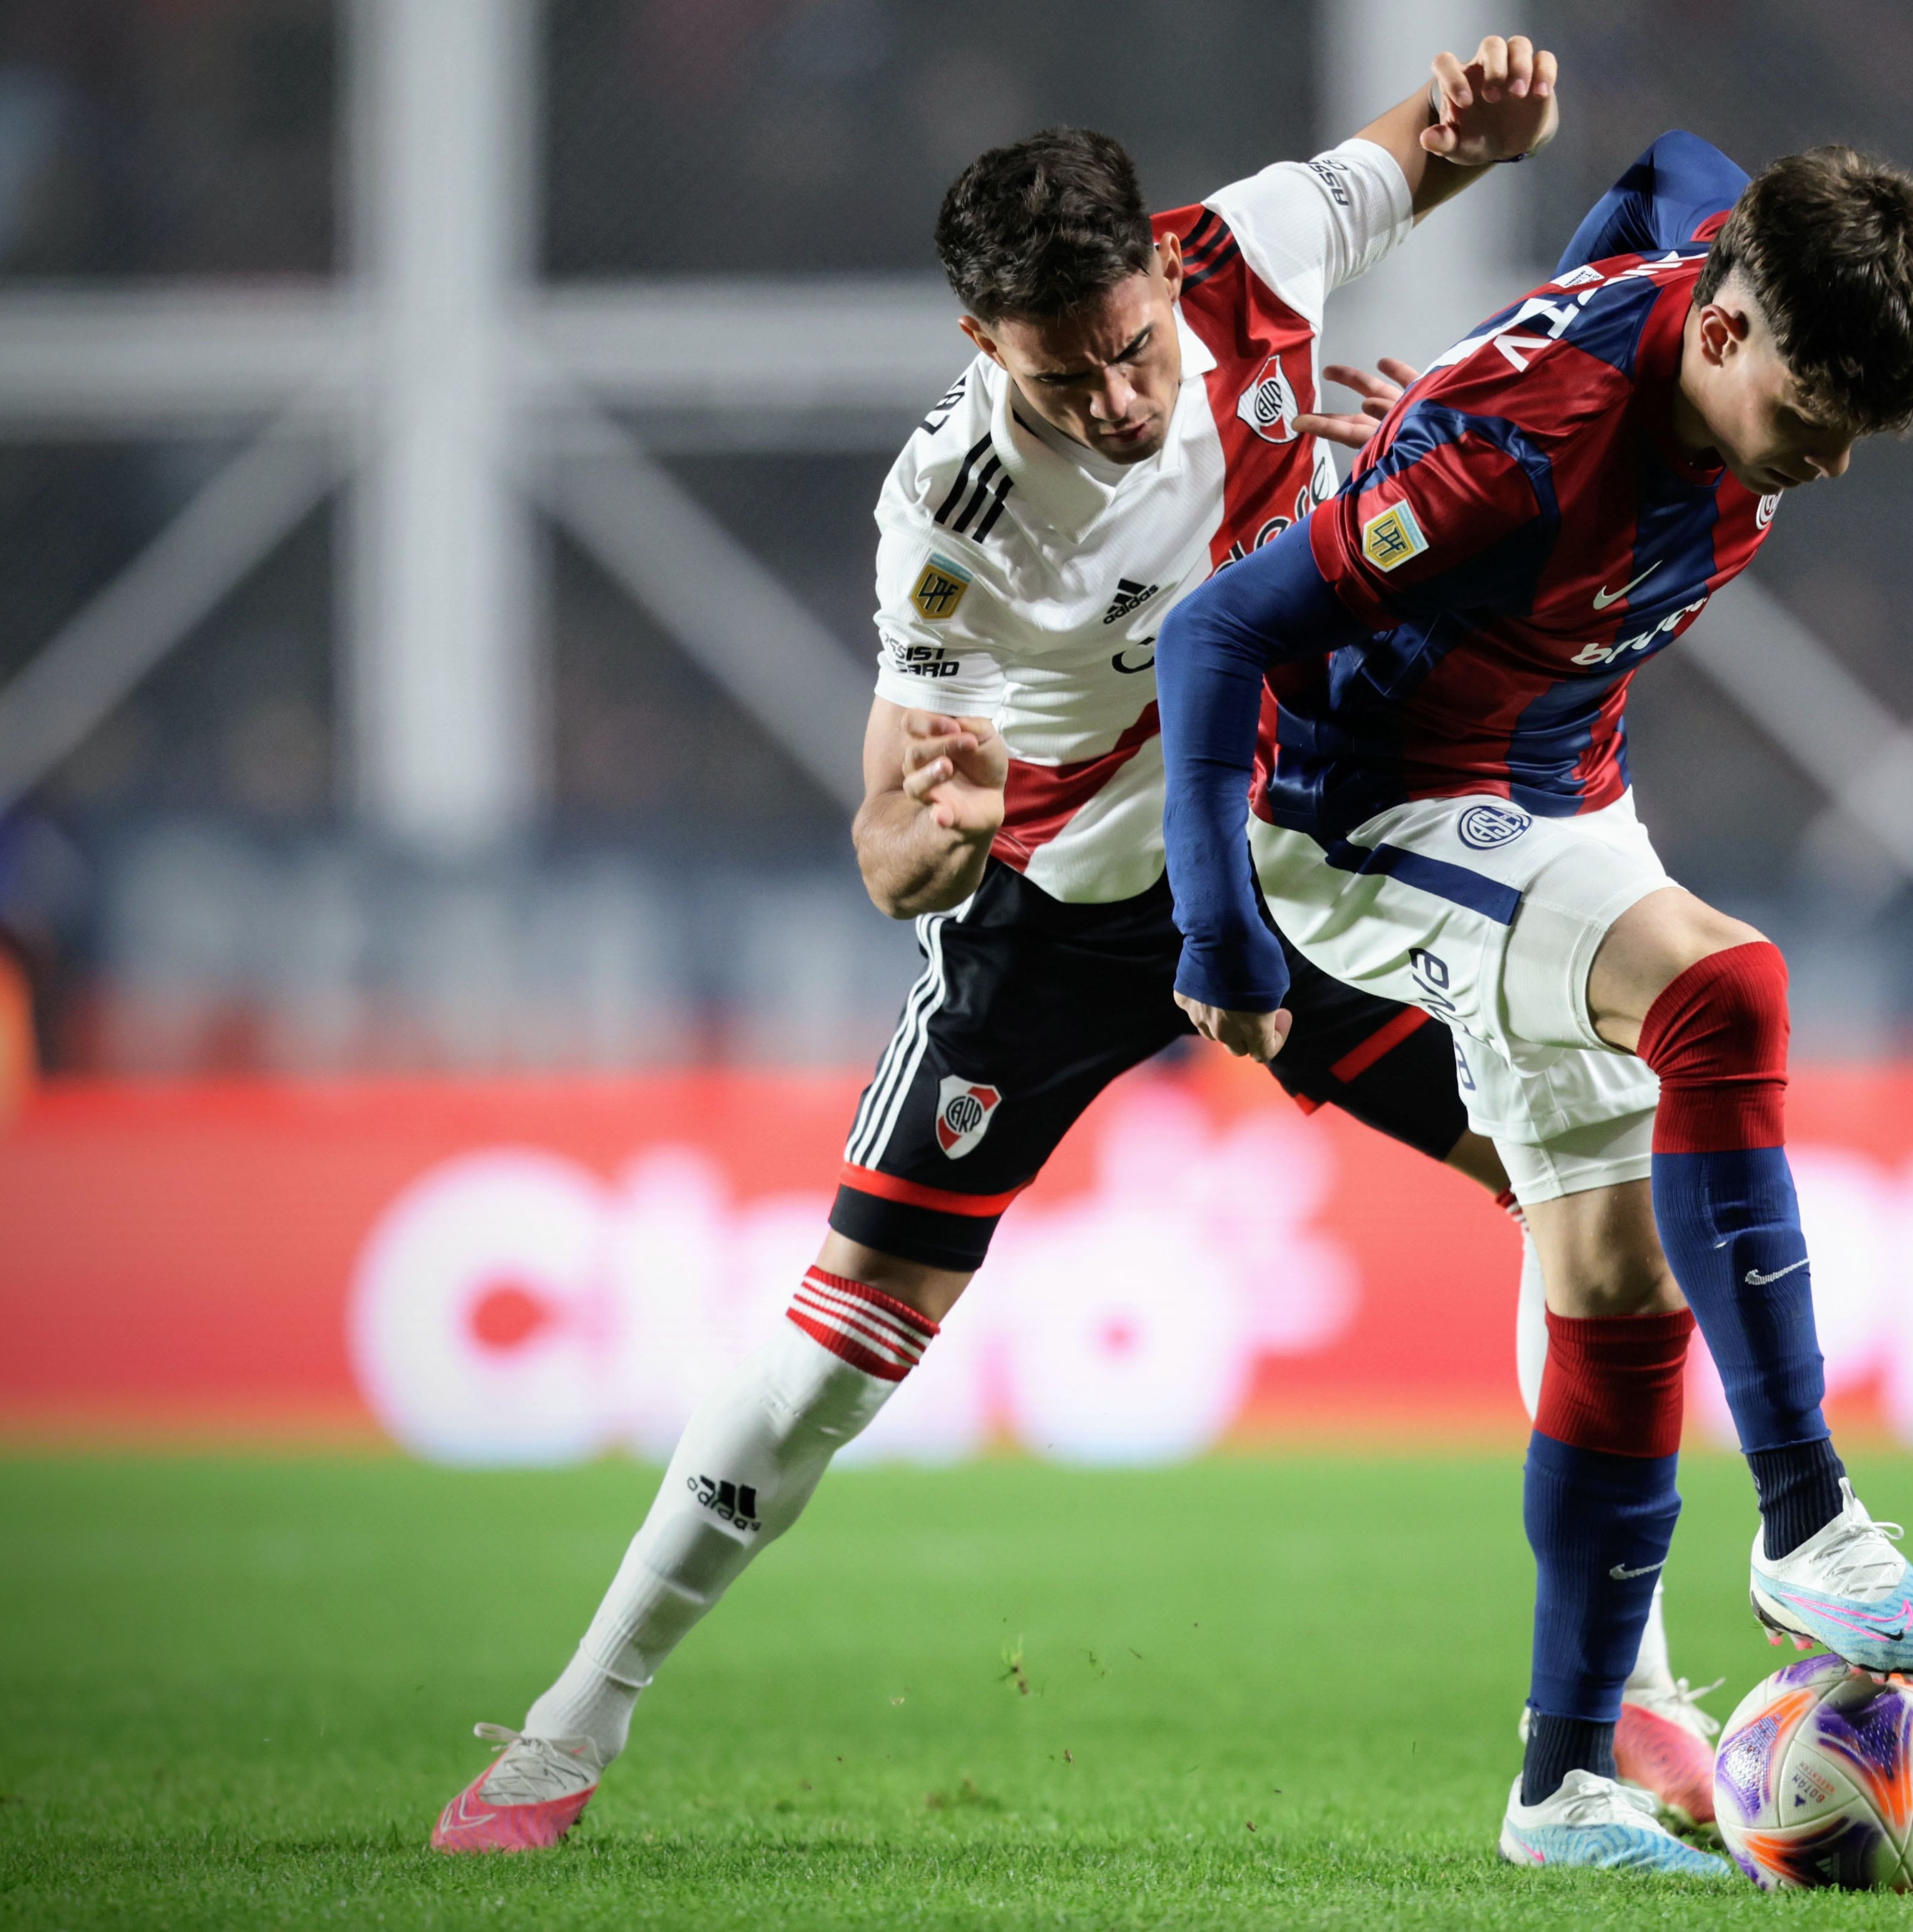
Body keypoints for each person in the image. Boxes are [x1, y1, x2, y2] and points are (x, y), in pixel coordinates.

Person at [427, 36, 1707, 1854]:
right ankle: (566, 1731)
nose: (1118, 396)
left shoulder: (1248, 252)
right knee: (848, 1346)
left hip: (1293, 861)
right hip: (1069, 918)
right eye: (1065, 373)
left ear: (1161, 277)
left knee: (1576, 1185)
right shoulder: (946, 526)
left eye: (1133, 349)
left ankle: (1626, 1707)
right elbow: (886, 836)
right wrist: (927, 838)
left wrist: (1494, 117)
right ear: (982, 352)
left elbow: (1423, 146)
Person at [1154, 131, 1913, 1874]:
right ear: (1722, 332)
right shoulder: (1510, 464)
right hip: (1367, 814)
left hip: (1552, 790)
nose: (1822, 466)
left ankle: (1560, 1792)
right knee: (1723, 996)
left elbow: (1672, 167)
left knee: (1611, 1277)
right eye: (1810, 421)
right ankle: (1806, 1520)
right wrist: (1222, 938)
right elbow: (1211, 637)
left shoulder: (1712, 269)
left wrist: (1491, 338)